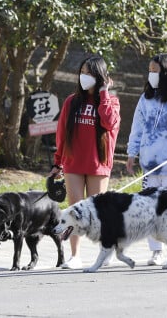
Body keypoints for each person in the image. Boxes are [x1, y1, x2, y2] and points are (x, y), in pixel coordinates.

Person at [50, 55, 121, 270]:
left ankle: (106, 252)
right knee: (74, 211)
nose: (84, 77)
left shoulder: (111, 102)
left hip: (98, 164)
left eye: (89, 73)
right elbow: (62, 134)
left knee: (99, 212)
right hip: (73, 163)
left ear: (100, 77)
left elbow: (109, 123)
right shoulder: (71, 101)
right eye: (82, 72)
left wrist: (103, 93)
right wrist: (57, 162)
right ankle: (74, 256)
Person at [126, 53, 167, 266]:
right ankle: (156, 251)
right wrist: (132, 153)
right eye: (149, 70)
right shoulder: (146, 98)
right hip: (149, 165)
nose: (151, 74)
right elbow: (137, 127)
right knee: (150, 208)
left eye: (155, 70)